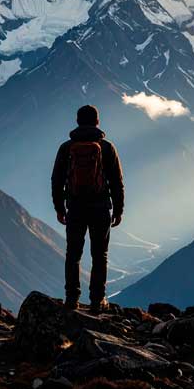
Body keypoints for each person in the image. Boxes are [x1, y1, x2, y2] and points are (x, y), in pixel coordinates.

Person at [51, 104, 124, 312]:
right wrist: (118, 210)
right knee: (99, 255)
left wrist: (59, 207)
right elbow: (117, 182)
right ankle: (96, 301)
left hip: (74, 207)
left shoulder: (66, 148)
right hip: (100, 207)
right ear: (97, 121)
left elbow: (56, 179)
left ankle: (72, 298)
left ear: (77, 121)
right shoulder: (107, 147)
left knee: (73, 254)